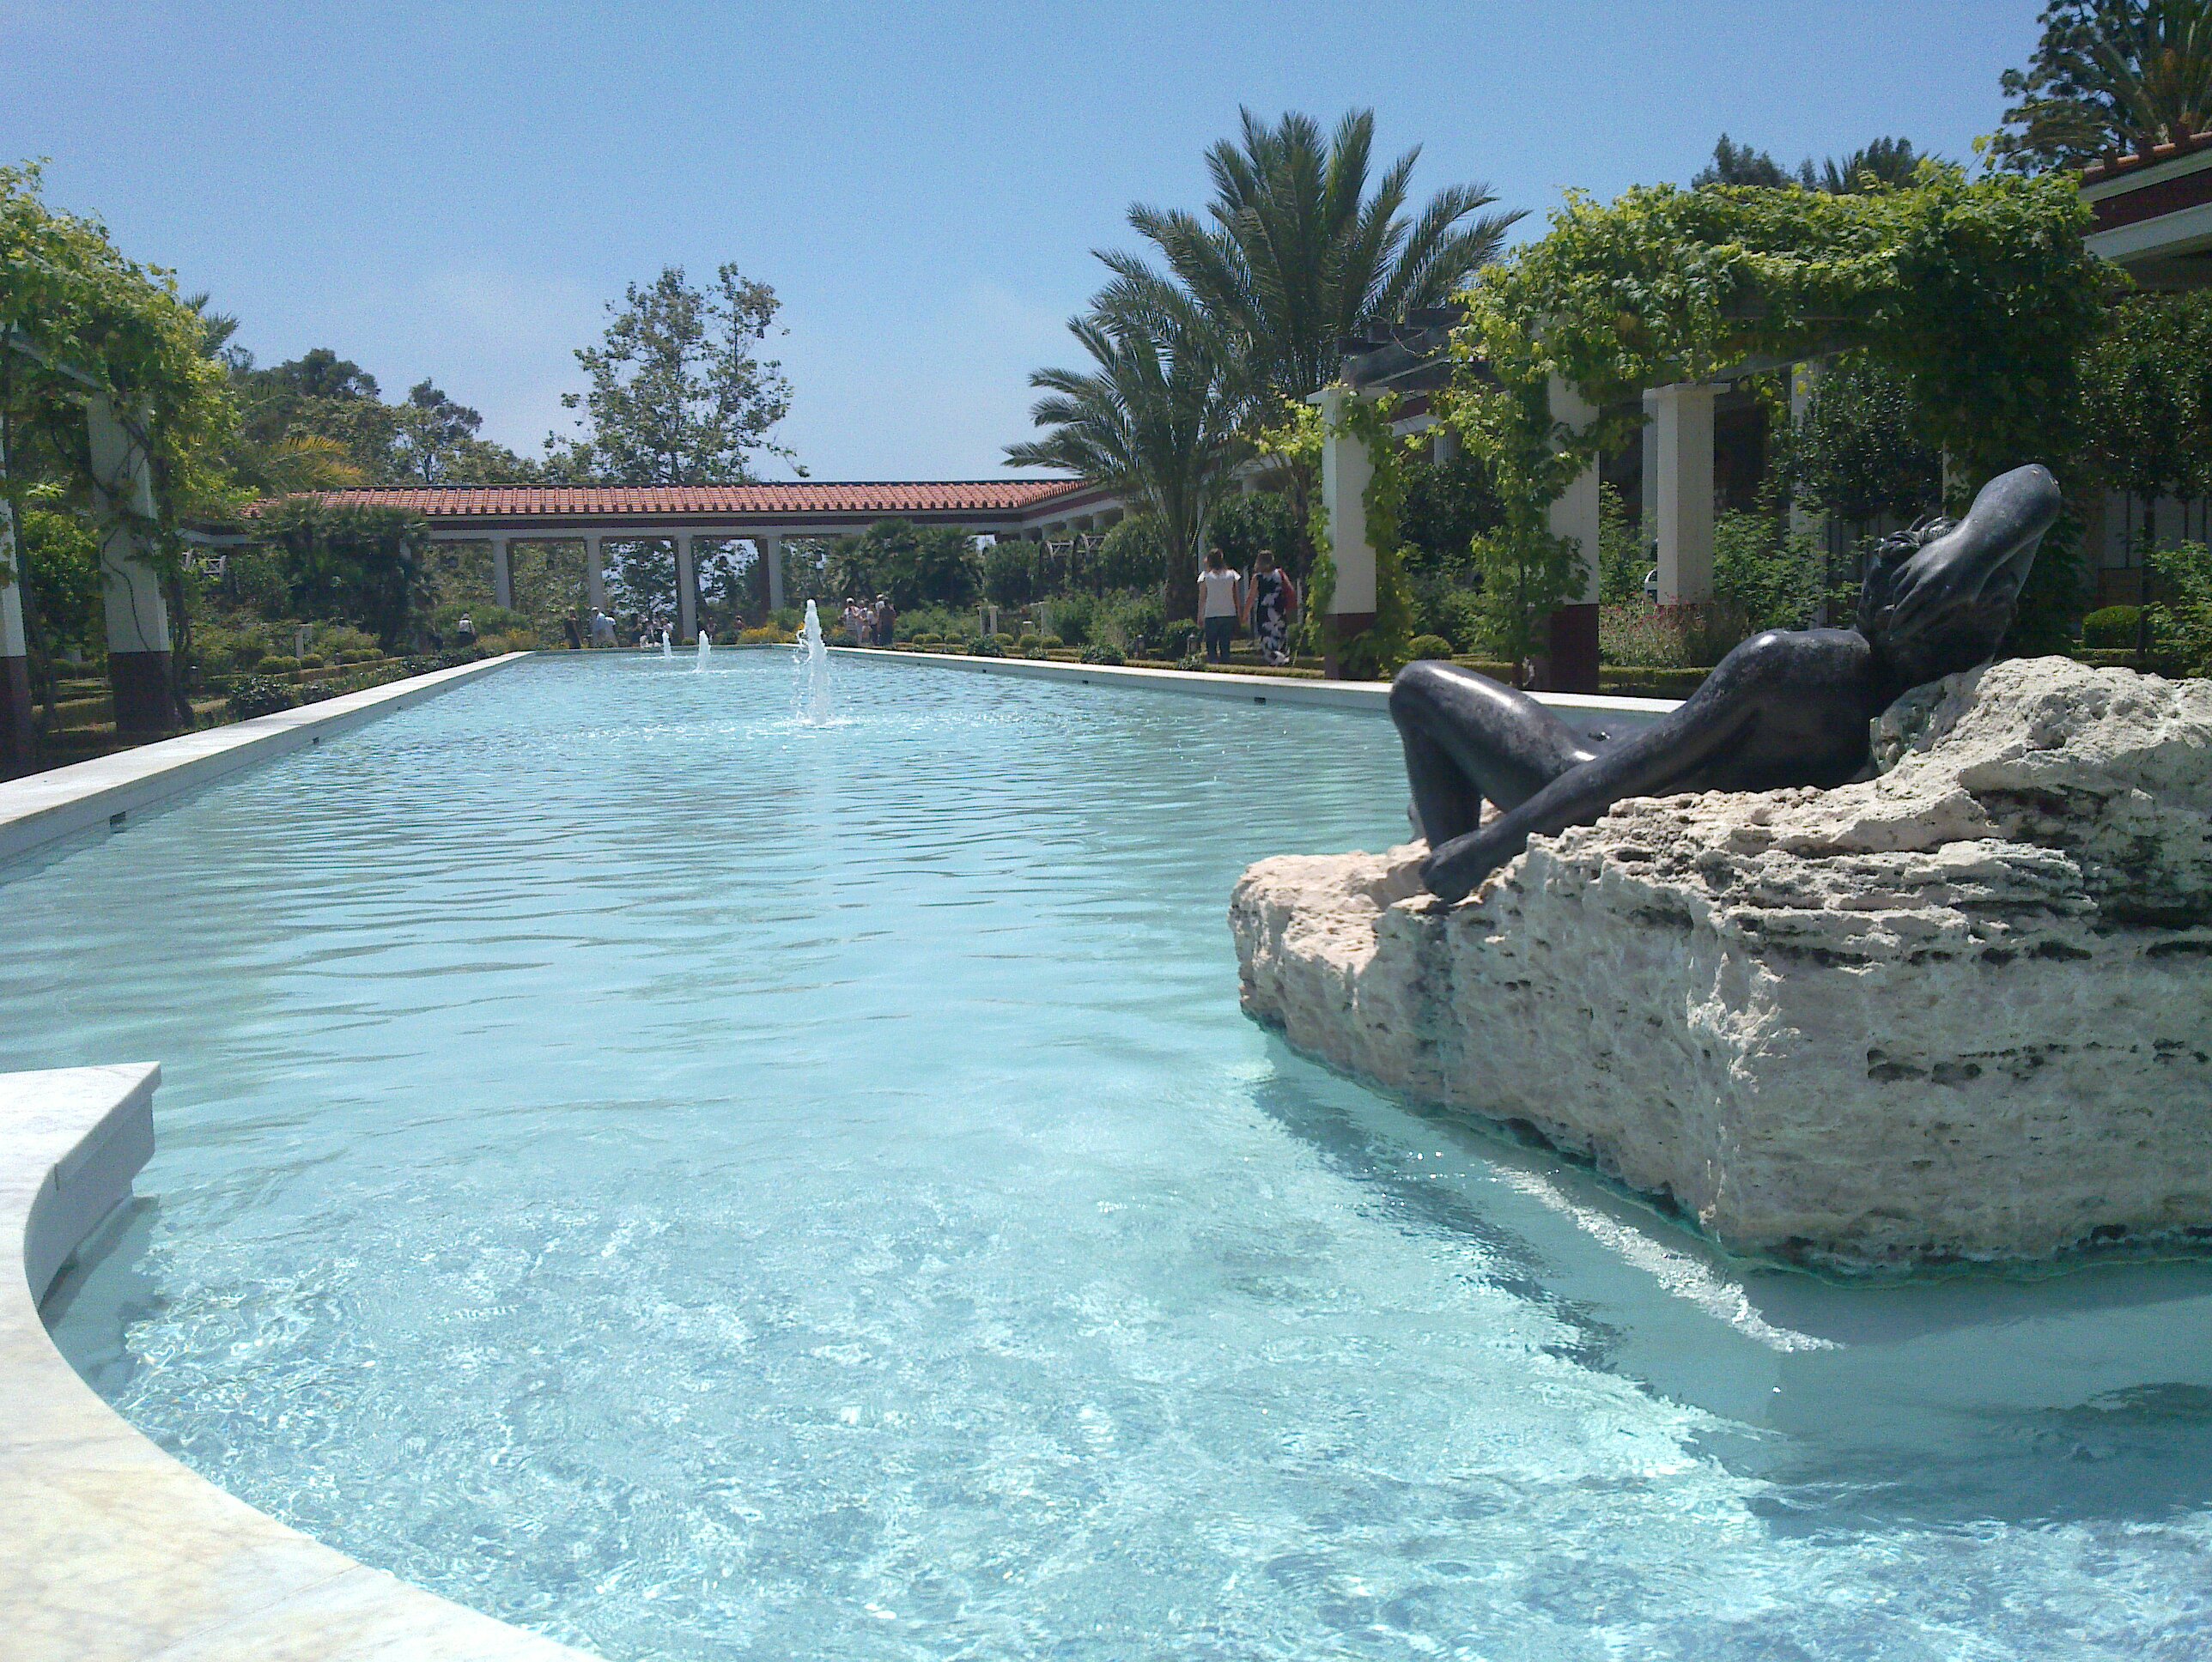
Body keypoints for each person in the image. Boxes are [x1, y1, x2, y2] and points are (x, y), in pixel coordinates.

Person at [1390, 464, 2063, 903]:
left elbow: (1627, 776)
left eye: (1895, 562)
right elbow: (2035, 487)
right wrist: (1972, 549)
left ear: (1895, 604)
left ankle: (1447, 867)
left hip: (1575, 773)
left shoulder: (1804, 665)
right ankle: (1448, 814)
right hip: (1619, 750)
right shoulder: (1952, 658)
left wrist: (1484, 851)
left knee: (1417, 688)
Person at [1246, 553, 1298, 666]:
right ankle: (1282, 659)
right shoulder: (1280, 574)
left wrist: (1244, 614)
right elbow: (1290, 590)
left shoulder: (1257, 578)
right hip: (1279, 610)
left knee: (1266, 637)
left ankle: (1273, 660)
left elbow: (1251, 597)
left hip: (1265, 612)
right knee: (1280, 635)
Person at [1197, 550, 1242, 664]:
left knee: (1211, 647)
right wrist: (1239, 613)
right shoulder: (1232, 575)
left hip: (1211, 614)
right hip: (1228, 614)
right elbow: (1236, 596)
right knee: (1225, 647)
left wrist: (1200, 616)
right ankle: (1225, 668)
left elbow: (1202, 598)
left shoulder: (1205, 576)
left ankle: (1214, 668)